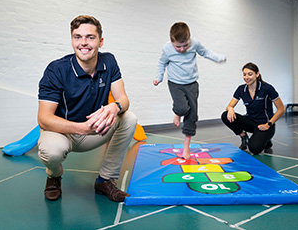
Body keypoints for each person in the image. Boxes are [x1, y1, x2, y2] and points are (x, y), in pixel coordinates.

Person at [37, 15, 137, 202]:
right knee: (51, 152)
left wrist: (115, 107)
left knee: (129, 118)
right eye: (77, 37)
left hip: (95, 130)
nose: (83, 43)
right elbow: (44, 119)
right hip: (62, 133)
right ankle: (54, 175)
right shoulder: (56, 70)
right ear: (72, 40)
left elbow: (123, 99)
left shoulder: (109, 61)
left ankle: (105, 180)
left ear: (101, 41)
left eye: (90, 37)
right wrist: (82, 128)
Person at [153, 22, 226, 159]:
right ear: (171, 41)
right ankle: (177, 113)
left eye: (185, 45)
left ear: (189, 39)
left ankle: (186, 146)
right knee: (181, 108)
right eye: (178, 46)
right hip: (175, 83)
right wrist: (159, 77)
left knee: (192, 117)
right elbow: (162, 63)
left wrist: (218, 58)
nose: (182, 49)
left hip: (192, 84)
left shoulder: (195, 43)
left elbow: (206, 52)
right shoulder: (167, 48)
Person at [221, 62, 285, 155]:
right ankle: (243, 136)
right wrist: (230, 108)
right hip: (250, 122)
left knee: (254, 149)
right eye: (244, 74)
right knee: (225, 115)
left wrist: (268, 124)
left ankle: (267, 139)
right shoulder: (241, 89)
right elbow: (230, 106)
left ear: (257, 74)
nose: (246, 77)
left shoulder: (267, 88)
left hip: (265, 124)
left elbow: (281, 109)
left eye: (250, 74)